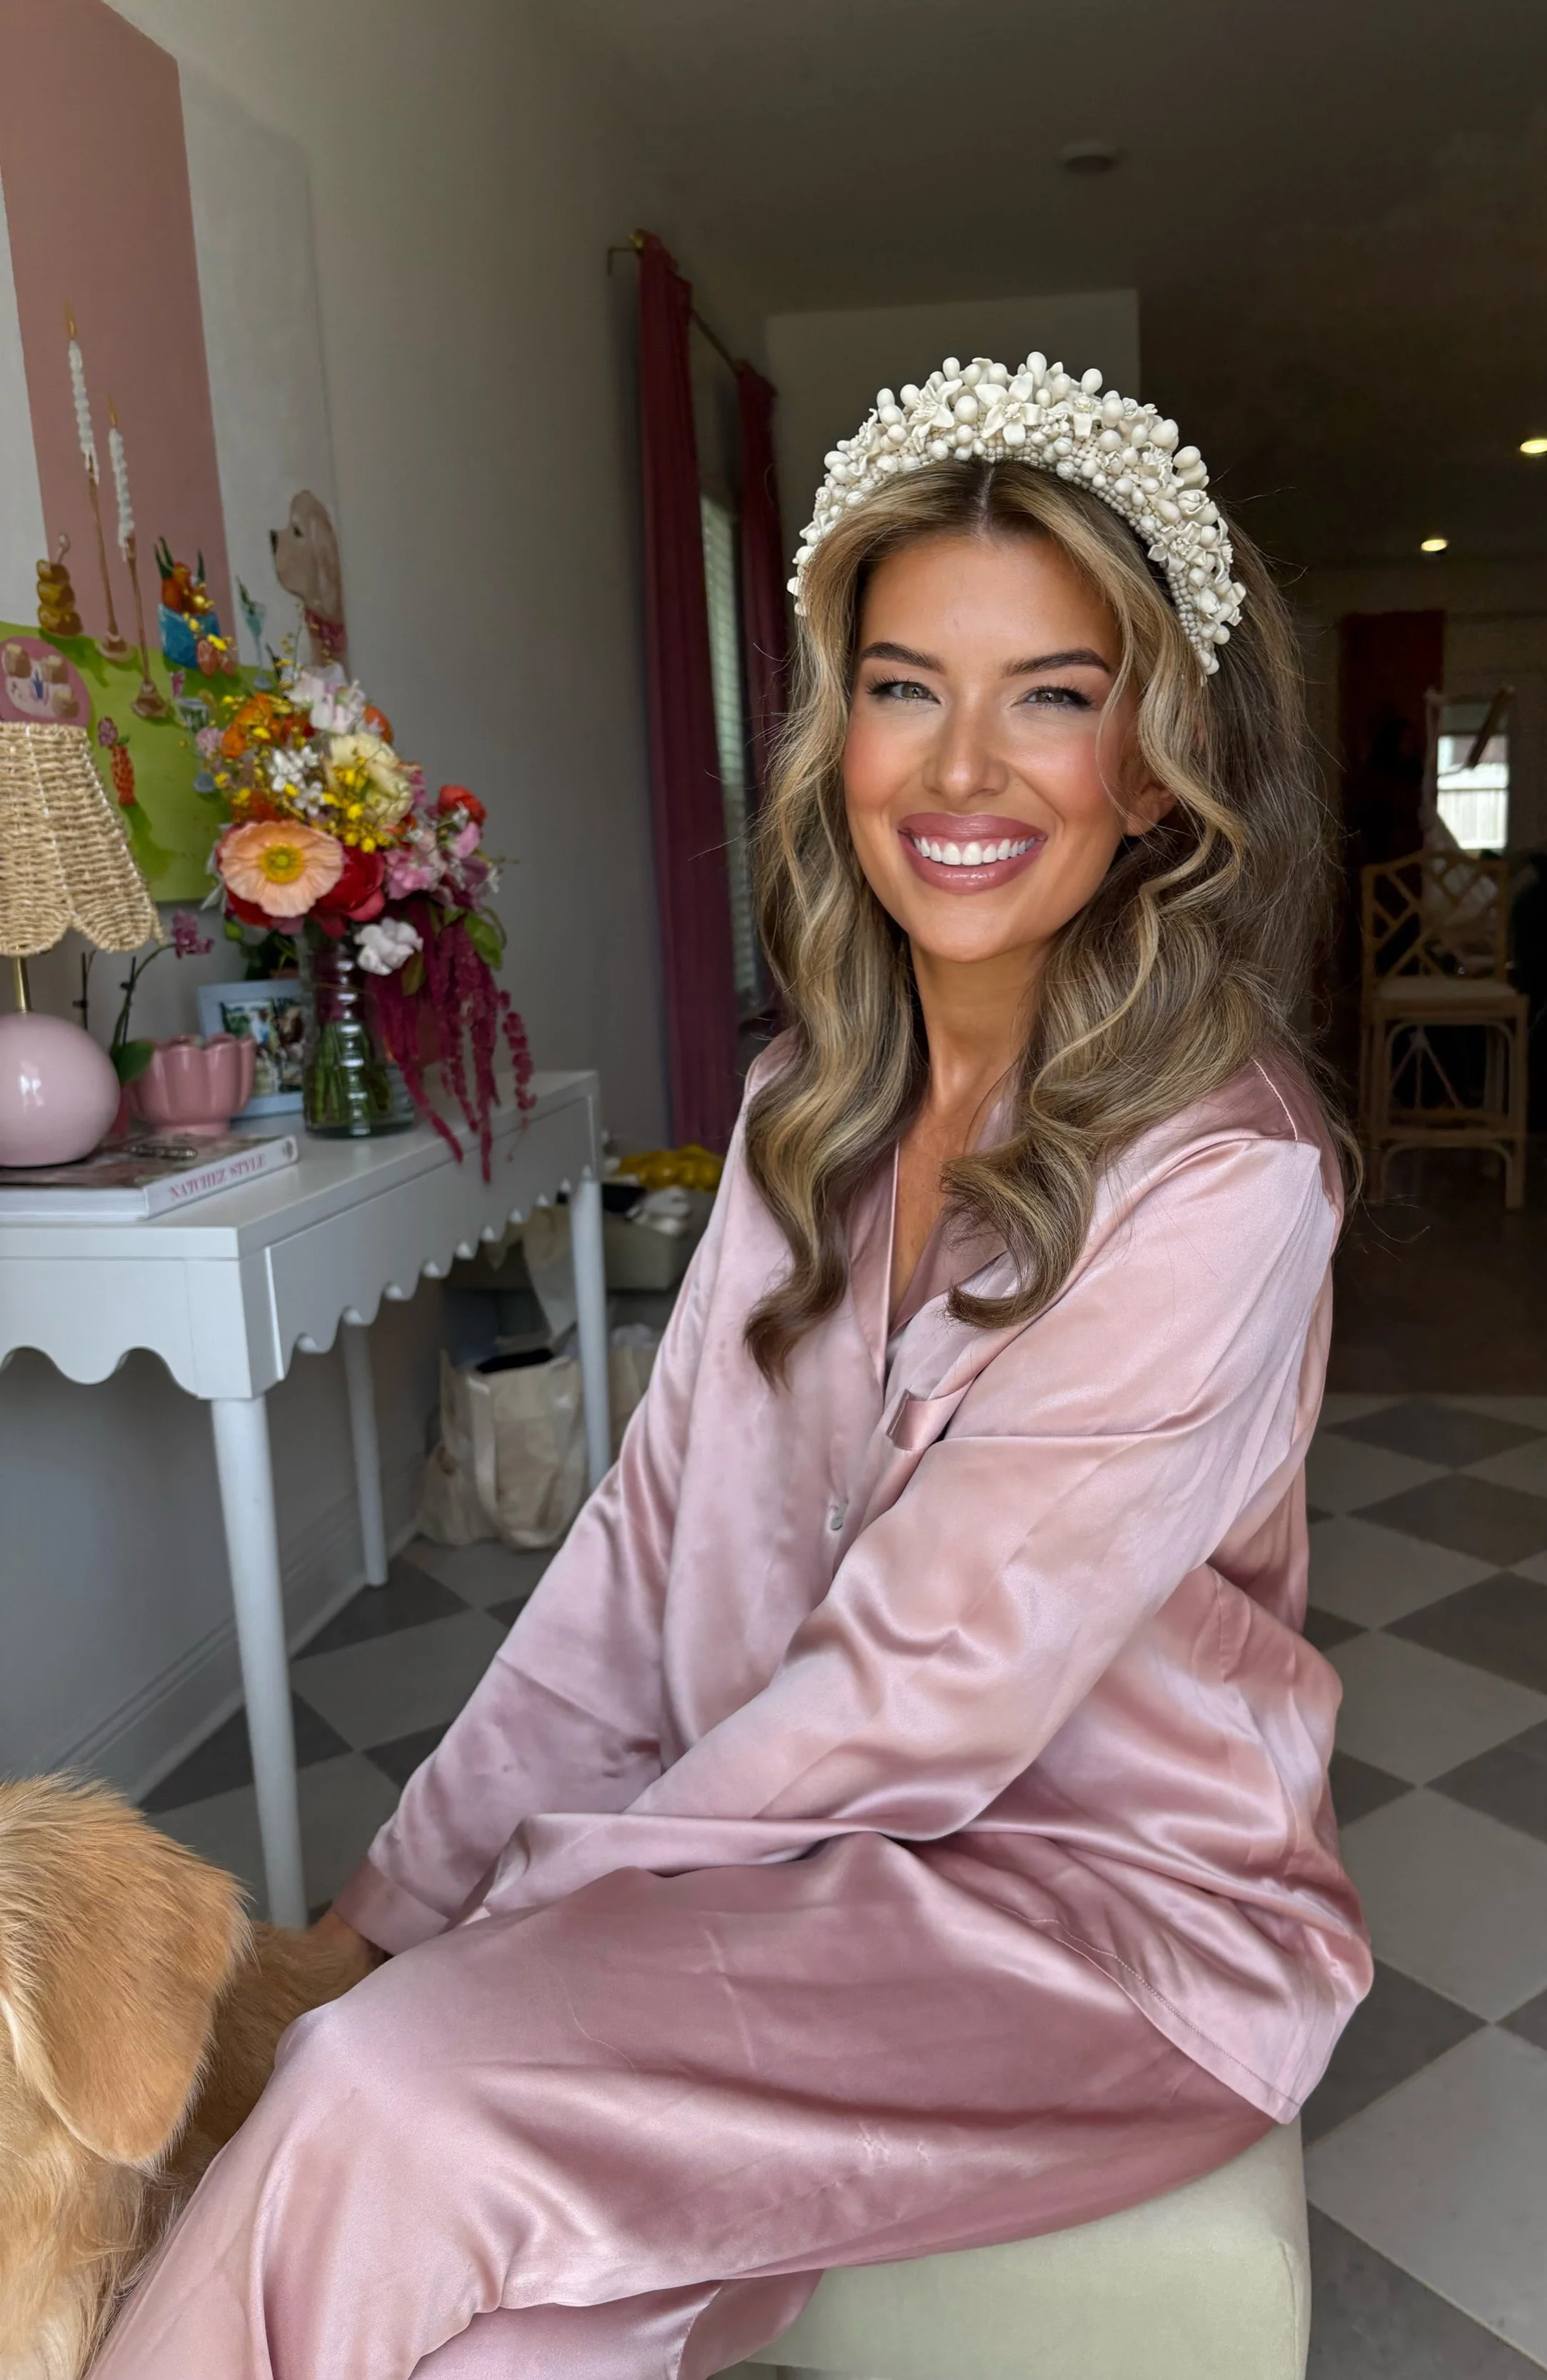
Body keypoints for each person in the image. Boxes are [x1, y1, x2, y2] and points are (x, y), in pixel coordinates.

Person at [93, 358, 1369, 2380]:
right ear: (830, 730)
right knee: (503, 2310)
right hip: (789, 1877)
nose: (961, 767)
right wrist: (387, 1894)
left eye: (1050, 688)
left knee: (392, 2082)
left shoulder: (1220, 1177)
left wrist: (512, 1920)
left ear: (1153, 763)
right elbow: (635, 1560)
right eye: (899, 684)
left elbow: (917, 1692)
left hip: (1097, 1928)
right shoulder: (807, 1103)